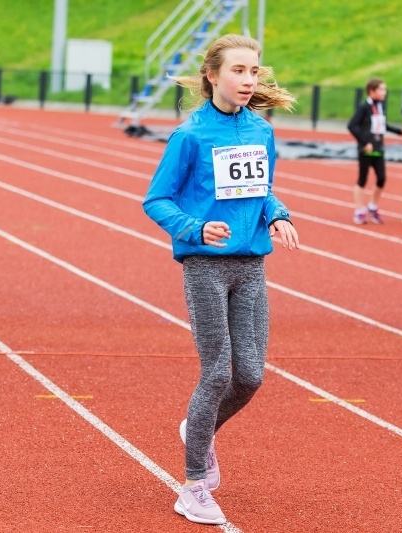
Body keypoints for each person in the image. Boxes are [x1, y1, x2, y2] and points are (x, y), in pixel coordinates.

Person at [143, 34, 300, 525]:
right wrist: (195, 228)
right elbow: (156, 200)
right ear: (212, 75)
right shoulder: (190, 136)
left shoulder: (261, 131)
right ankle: (192, 486)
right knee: (216, 372)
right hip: (206, 267)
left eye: (254, 71)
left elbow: (263, 189)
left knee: (250, 376)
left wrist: (277, 214)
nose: (248, 80)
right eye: (238, 70)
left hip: (251, 267)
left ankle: (198, 428)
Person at [347, 78, 402, 224]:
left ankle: (372, 206)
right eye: (381, 89)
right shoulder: (364, 107)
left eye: (384, 89)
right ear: (372, 91)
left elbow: (383, 124)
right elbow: (352, 126)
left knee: (381, 178)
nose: (384, 92)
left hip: (378, 148)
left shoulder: (381, 106)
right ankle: (359, 210)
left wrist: (398, 131)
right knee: (362, 179)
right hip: (366, 150)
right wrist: (364, 142)